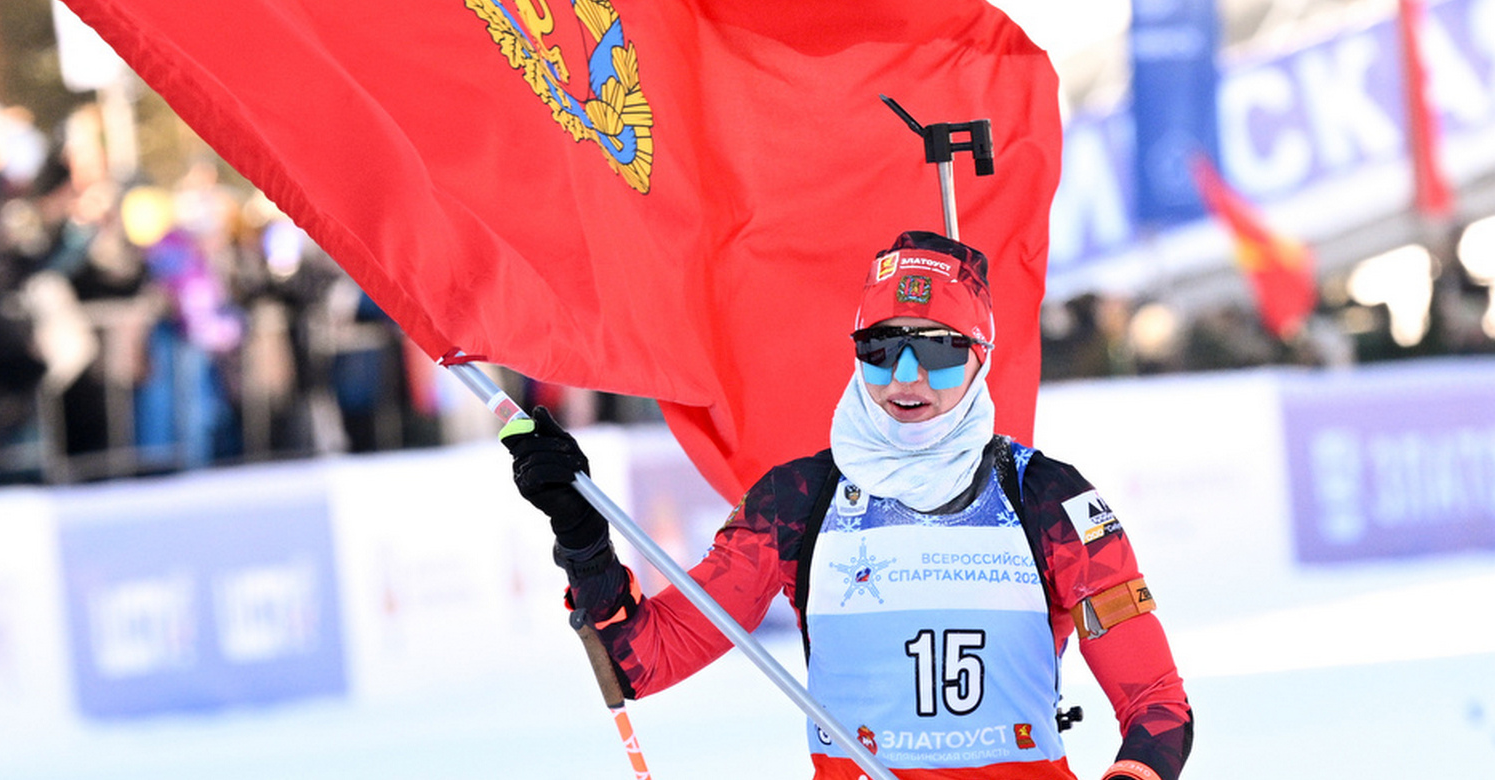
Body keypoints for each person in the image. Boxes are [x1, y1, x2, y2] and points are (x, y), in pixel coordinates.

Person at [501, 230, 1192, 780]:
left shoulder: (1049, 500)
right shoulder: (798, 501)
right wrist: (581, 529)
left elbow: (1156, 705)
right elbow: (643, 660)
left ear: (982, 357)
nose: (907, 378)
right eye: (881, 348)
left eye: (940, 351)